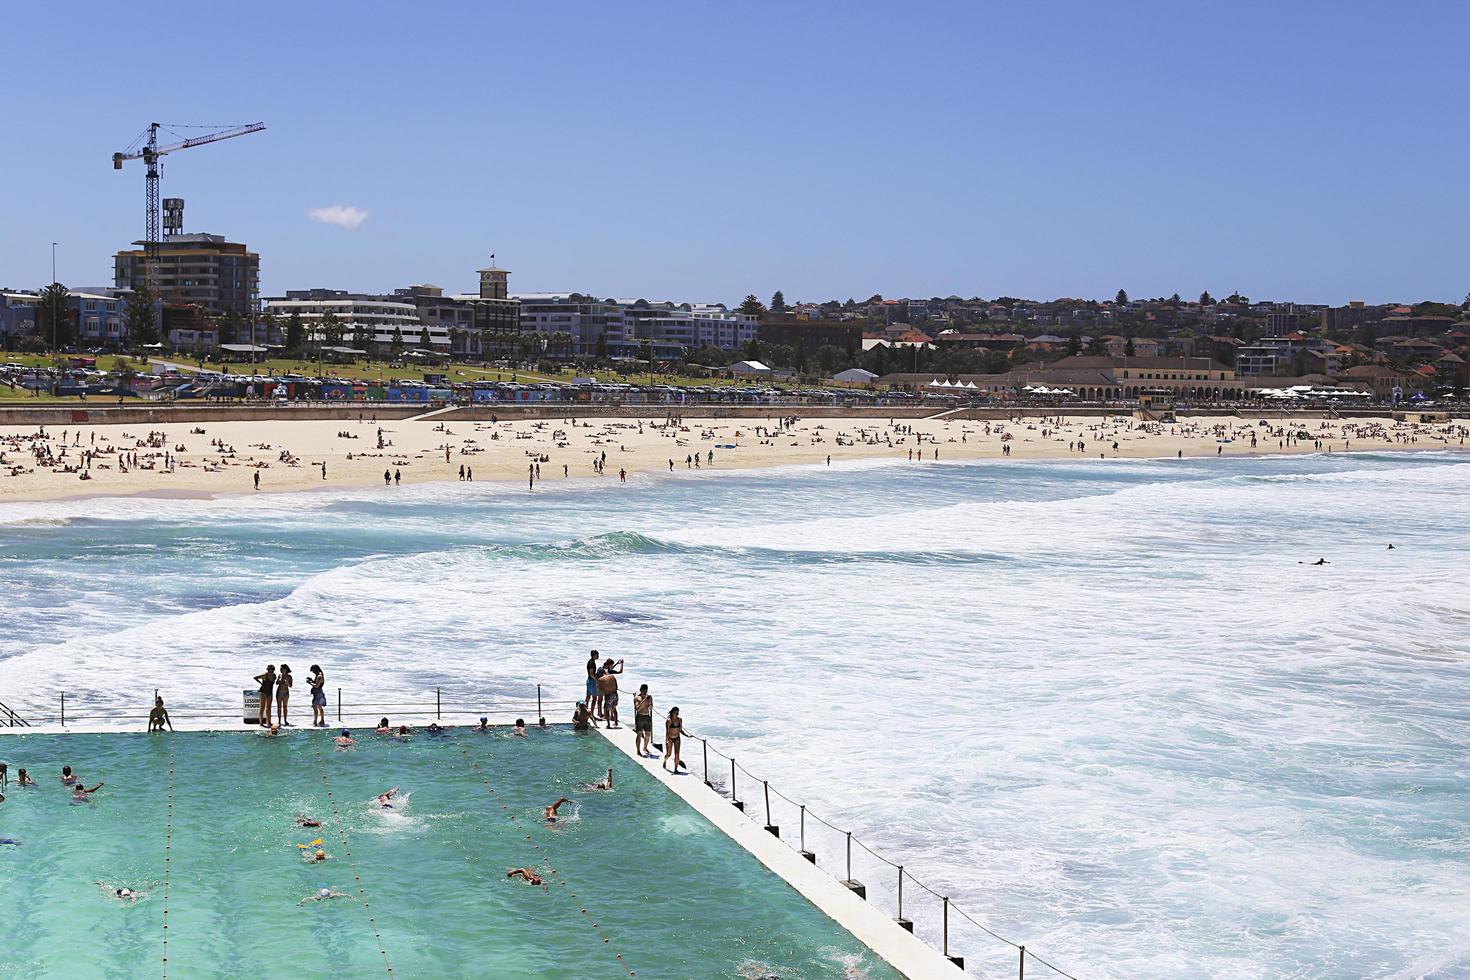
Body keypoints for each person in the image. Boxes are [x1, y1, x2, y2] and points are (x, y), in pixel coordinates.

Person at [633, 684, 654, 758]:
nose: (645, 692)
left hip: (647, 716)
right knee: (639, 734)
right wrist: (643, 701)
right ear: (641, 690)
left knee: (648, 734)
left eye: (646, 690)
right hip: (640, 717)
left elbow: (651, 708)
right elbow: (637, 709)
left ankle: (645, 747)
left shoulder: (649, 697)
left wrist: (650, 703)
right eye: (644, 690)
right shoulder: (637, 698)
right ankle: (638, 750)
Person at [662, 707, 685, 774]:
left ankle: (675, 769)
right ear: (672, 713)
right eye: (675, 713)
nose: (677, 714)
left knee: (677, 755)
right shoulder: (668, 721)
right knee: (669, 754)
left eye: (678, 713)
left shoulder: (680, 720)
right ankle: (665, 761)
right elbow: (667, 732)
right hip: (670, 739)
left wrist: (687, 735)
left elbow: (680, 730)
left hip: (677, 738)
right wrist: (666, 740)